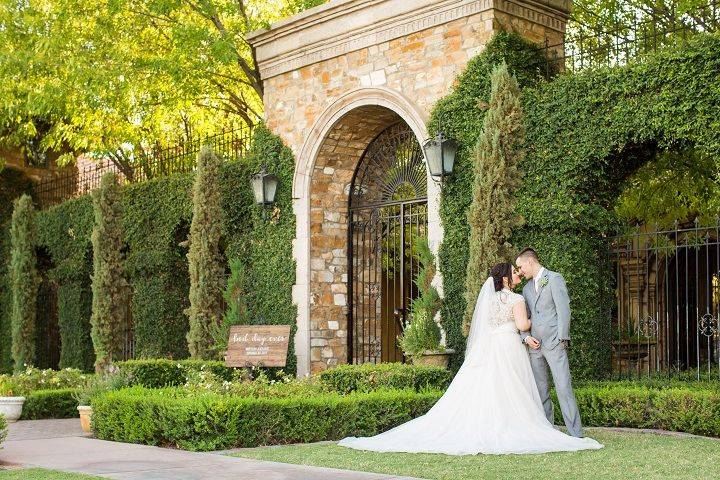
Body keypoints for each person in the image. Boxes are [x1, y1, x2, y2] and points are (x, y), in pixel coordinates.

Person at [337, 262, 602, 455]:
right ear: (507, 279)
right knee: (513, 389)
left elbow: (489, 326)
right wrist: (540, 321)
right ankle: (528, 426)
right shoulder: (517, 298)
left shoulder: (490, 300)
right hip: (509, 346)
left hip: (491, 347)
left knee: (488, 388)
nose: (517, 274)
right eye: (514, 272)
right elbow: (522, 325)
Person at [515, 247, 584, 438]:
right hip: (535, 348)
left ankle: (576, 433)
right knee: (541, 390)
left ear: (530, 262)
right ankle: (548, 432)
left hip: (555, 344)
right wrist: (526, 337)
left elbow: (564, 310)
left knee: (563, 387)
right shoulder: (526, 289)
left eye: (521, 267)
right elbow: (524, 318)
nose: (520, 271)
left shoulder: (554, 279)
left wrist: (563, 338)